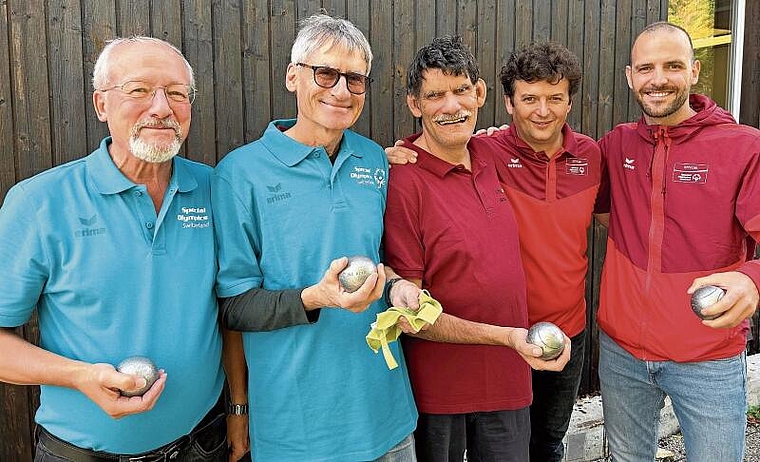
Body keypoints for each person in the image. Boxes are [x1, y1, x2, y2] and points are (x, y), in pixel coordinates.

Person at [0, 37, 230, 460]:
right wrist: (80, 376)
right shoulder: (39, 203)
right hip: (82, 453)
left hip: (203, 445)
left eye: (177, 93)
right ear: (101, 104)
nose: (161, 108)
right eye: (139, 90)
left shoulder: (215, 189)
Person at [211, 14, 418, 462]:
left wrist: (398, 284)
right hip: (298, 429)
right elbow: (235, 306)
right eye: (325, 72)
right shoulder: (239, 174)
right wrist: (315, 297)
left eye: (355, 79)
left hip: (388, 417)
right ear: (292, 76)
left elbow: (381, 258)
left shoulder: (372, 160)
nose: (341, 90)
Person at [387, 41, 600, 461]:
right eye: (434, 95)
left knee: (542, 447)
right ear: (415, 103)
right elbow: (409, 311)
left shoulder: (488, 154)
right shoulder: (406, 177)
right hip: (445, 384)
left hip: (513, 374)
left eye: (462, 90)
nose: (451, 106)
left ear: (480, 94)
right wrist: (387, 157)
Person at [594, 21, 760, 461]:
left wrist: (753, 278)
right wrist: (488, 143)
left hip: (707, 356)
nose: (658, 79)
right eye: (646, 68)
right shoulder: (617, 144)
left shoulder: (742, 147)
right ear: (631, 76)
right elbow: (591, 202)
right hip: (622, 354)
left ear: (694, 71)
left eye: (672, 66)